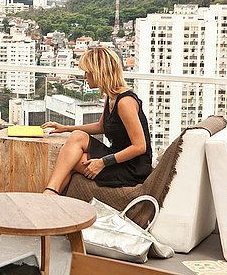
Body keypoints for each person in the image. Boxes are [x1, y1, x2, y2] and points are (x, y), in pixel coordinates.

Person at [41, 47, 152, 194]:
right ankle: (51, 193)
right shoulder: (111, 96)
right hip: (116, 154)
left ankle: (50, 195)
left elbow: (140, 146)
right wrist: (66, 128)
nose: (85, 76)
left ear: (99, 73)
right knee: (77, 137)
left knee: (72, 161)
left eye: (88, 72)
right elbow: (101, 126)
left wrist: (103, 162)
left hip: (131, 167)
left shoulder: (125, 102)